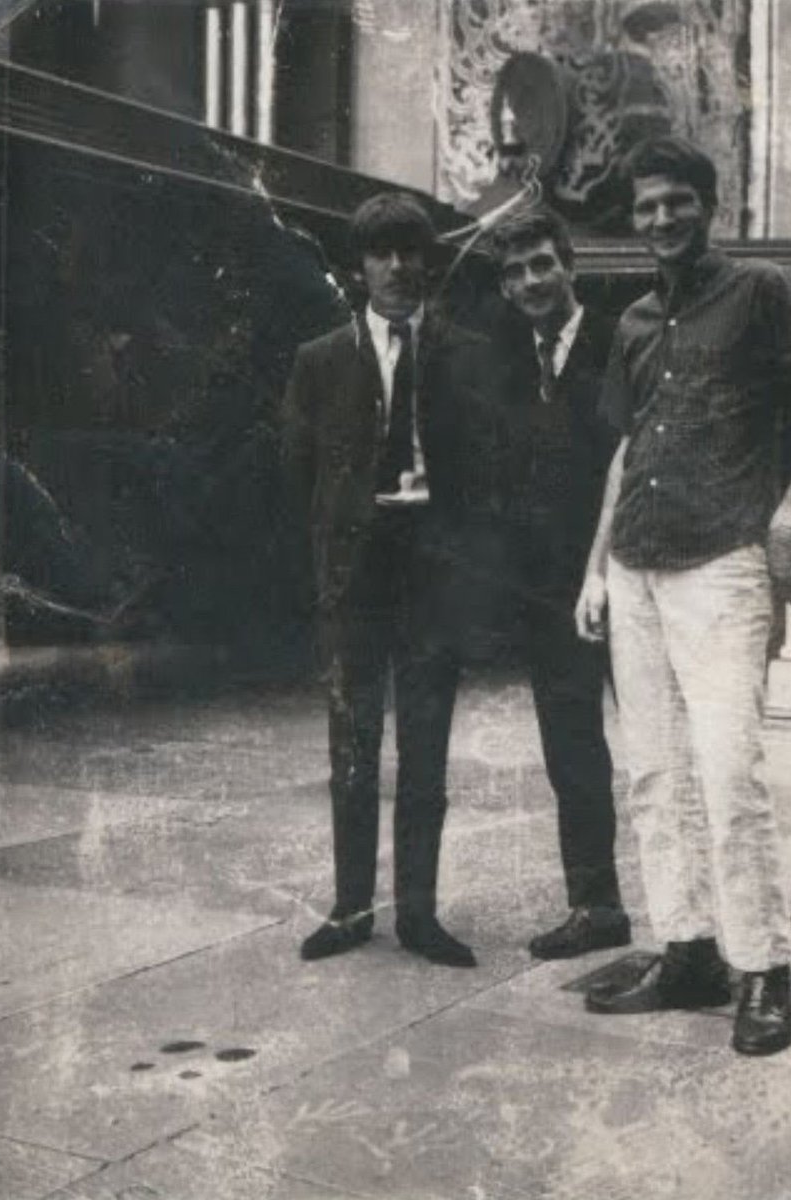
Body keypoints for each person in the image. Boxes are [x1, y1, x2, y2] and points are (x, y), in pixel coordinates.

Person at [575, 137, 791, 1054]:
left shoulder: (761, 289)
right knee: (653, 774)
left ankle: (763, 969)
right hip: (635, 569)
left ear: (709, 204)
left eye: (677, 203)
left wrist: (787, 523)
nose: (660, 219)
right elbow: (627, 452)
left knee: (728, 773)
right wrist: (593, 568)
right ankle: (686, 950)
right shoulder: (633, 321)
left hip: (722, 565)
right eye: (646, 206)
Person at [284, 192, 492, 969]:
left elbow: (486, 473)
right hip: (356, 578)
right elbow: (297, 477)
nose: (400, 266)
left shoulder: (466, 352)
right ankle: (348, 909)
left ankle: (418, 916)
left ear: (429, 260)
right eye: (383, 252)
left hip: (433, 574)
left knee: (427, 751)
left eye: (412, 250)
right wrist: (329, 566)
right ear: (359, 265)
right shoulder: (319, 360)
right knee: (351, 745)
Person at [490, 208, 631, 959]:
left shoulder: (620, 342)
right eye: (513, 273)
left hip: (629, 579)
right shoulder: (510, 361)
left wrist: (602, 569)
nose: (529, 282)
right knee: (571, 753)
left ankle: (699, 917)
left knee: (662, 748)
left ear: (569, 266)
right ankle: (595, 905)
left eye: (541, 264)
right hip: (548, 597)